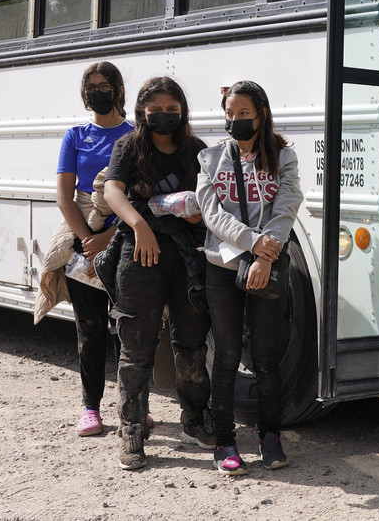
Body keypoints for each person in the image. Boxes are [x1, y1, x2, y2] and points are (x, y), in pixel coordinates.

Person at [103, 76, 213, 470]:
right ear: (142, 112)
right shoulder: (129, 146)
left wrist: (201, 211)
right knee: (136, 346)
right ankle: (131, 428)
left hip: (188, 256)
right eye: (155, 111)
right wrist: (140, 225)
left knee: (192, 344)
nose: (163, 116)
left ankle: (195, 421)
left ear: (182, 111)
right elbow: (112, 191)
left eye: (172, 109)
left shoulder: (197, 150)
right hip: (141, 253)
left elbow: (211, 198)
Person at [197, 81, 303, 475]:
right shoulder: (210, 159)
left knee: (265, 357)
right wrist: (255, 243)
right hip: (222, 266)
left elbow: (288, 203)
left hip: (267, 266)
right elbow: (211, 213)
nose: (236, 120)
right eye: (230, 113)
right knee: (225, 356)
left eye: (243, 113)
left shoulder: (283, 157)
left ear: (260, 113)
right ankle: (225, 442)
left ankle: (270, 437)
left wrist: (266, 254)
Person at [37, 61, 134, 437]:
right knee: (90, 328)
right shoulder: (75, 135)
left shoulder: (134, 134)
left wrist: (110, 239)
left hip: (126, 240)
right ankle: (91, 409)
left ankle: (133, 407)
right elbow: (64, 196)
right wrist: (87, 241)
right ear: (84, 93)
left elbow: (143, 195)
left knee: (129, 329)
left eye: (105, 85)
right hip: (84, 241)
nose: (99, 91)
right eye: (92, 86)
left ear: (118, 90)